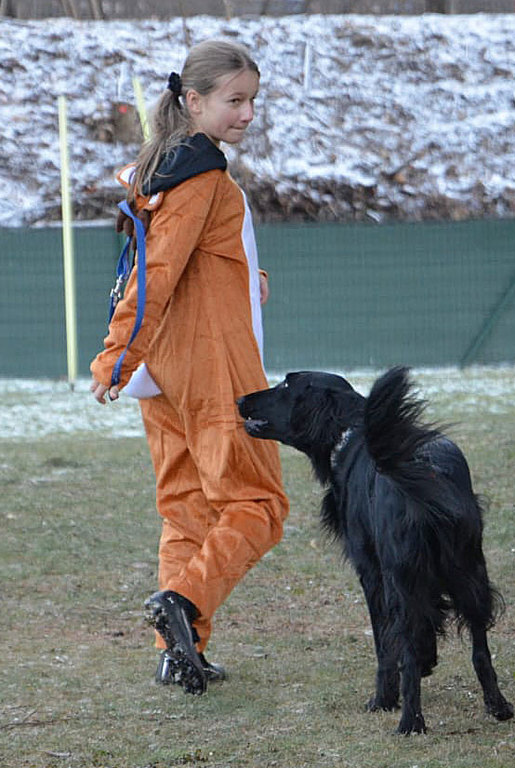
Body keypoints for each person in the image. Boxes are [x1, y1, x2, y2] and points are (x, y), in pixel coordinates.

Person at [90, 39, 289, 695]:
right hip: (213, 370)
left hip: (167, 372)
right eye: (235, 100)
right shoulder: (201, 175)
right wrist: (117, 353)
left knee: (186, 513)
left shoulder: (167, 168)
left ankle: (178, 653)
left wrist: (246, 275)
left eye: (252, 100)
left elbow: (187, 257)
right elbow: (158, 270)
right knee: (258, 503)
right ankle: (186, 602)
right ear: (195, 101)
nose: (247, 113)